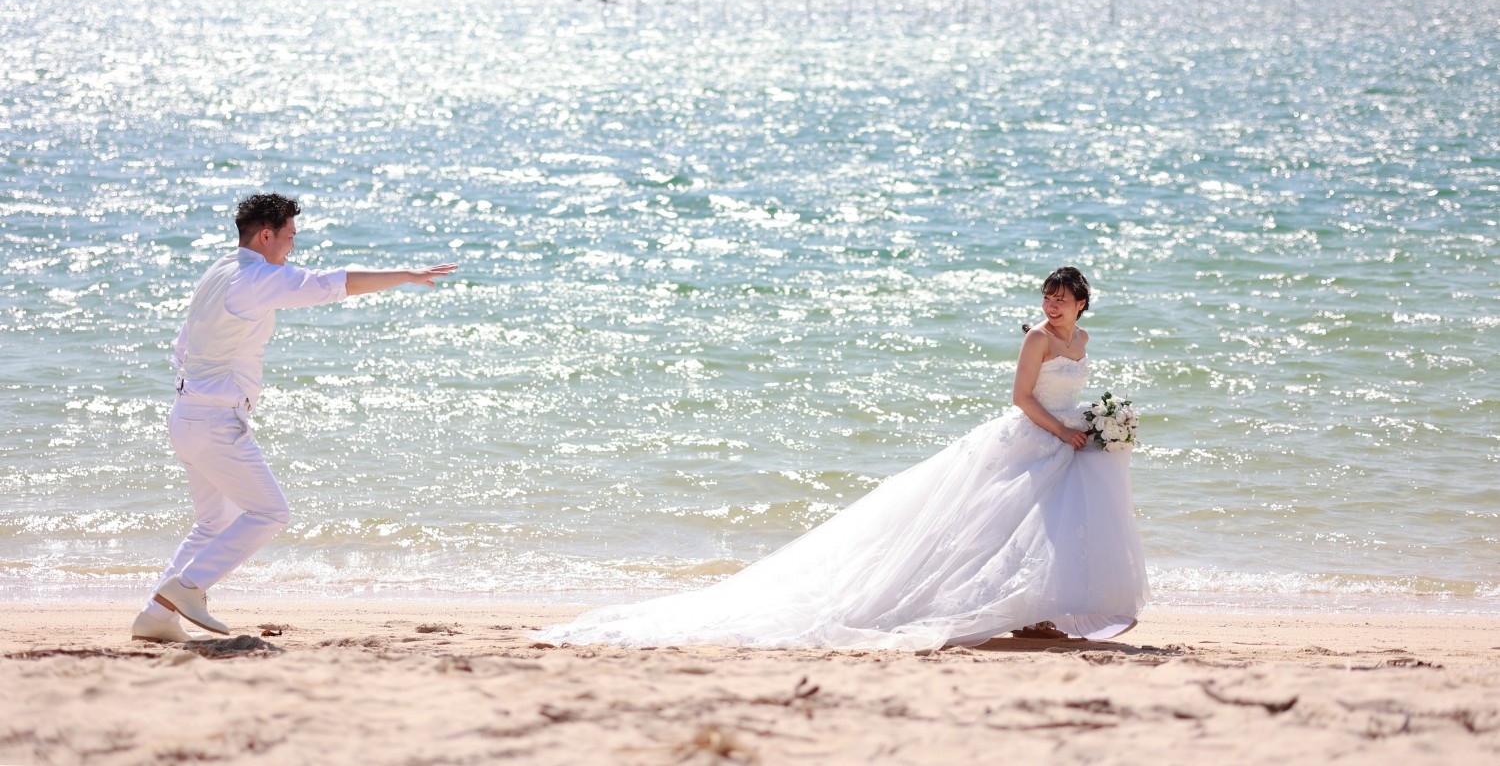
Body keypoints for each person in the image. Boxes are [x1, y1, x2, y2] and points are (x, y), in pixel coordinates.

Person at [535, 266, 1147, 651]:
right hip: (1032, 437)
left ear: (1082, 305)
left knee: (1052, 531)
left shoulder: (1082, 342)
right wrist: (1061, 434)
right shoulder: (1037, 340)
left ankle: (1038, 611)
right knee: (994, 528)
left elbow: (1072, 391)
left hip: (1067, 436)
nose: (1051, 305)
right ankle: (1006, 609)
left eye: (1061, 299)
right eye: (1046, 295)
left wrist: (1094, 426)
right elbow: (1019, 398)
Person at [131, 192, 458, 642]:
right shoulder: (254, 278)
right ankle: (187, 588)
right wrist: (405, 275)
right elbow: (331, 284)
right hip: (214, 422)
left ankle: (156, 618)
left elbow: (183, 346)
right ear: (266, 235)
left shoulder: (219, 270)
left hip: (186, 414)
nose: (291, 249)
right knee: (269, 512)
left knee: (213, 523)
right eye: (289, 238)